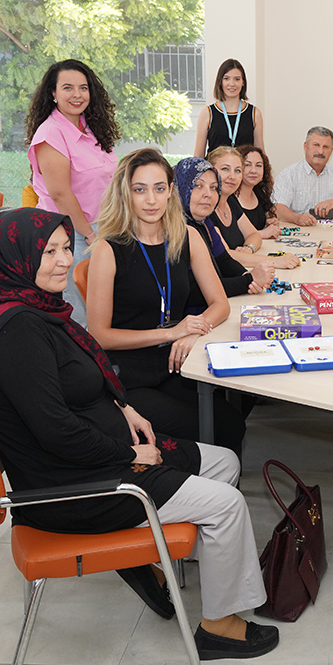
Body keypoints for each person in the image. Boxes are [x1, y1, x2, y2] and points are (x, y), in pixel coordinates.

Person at [0, 209, 278, 658]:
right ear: (15, 259)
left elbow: (75, 381)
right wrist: (129, 455)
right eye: (48, 252)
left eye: (65, 248)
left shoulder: (33, 308)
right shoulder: (16, 332)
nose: (64, 260)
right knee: (227, 504)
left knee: (224, 461)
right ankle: (219, 627)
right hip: (72, 486)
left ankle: (158, 561)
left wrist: (124, 408)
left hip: (90, 455)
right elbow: (55, 432)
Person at [86, 149, 248, 455]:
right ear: (125, 193)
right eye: (140, 190)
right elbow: (99, 335)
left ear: (171, 191)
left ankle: (216, 481)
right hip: (128, 375)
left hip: (172, 365)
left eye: (159, 189)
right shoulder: (107, 249)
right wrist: (173, 332)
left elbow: (220, 304)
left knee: (230, 423)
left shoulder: (187, 236)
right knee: (203, 428)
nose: (151, 200)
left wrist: (193, 330)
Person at [25, 58, 120, 325]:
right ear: (53, 93)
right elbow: (60, 195)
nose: (77, 94)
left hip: (101, 228)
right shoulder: (50, 134)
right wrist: (90, 236)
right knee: (78, 311)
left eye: (83, 88)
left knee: (102, 305)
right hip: (69, 233)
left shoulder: (91, 128)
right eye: (67, 88)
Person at [174, 157, 274, 299]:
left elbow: (223, 260)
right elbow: (194, 291)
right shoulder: (174, 231)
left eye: (213, 187)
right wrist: (249, 280)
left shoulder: (205, 223)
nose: (208, 194)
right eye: (198, 185)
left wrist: (246, 276)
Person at [207, 146, 298, 271]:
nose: (232, 176)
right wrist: (275, 261)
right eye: (225, 169)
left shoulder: (230, 201)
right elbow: (226, 255)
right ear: (210, 172)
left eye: (238, 170)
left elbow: (254, 234)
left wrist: (248, 248)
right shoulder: (206, 208)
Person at [271, 127, 333, 226]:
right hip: (300, 232)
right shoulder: (288, 175)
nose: (320, 151)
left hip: (330, 233)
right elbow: (276, 209)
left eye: (326, 147)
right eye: (316, 145)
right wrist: (297, 218)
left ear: (331, 151)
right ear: (305, 146)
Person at [193, 58, 264, 157]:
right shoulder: (207, 113)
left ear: (243, 82)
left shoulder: (254, 113)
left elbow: (260, 153)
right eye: (226, 78)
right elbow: (198, 155)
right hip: (215, 167)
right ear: (220, 81)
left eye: (237, 79)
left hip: (244, 167)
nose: (232, 84)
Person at [235, 144, 279, 239]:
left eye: (258, 165)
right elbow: (230, 237)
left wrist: (271, 222)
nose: (253, 170)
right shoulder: (229, 198)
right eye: (247, 165)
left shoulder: (260, 194)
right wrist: (261, 233)